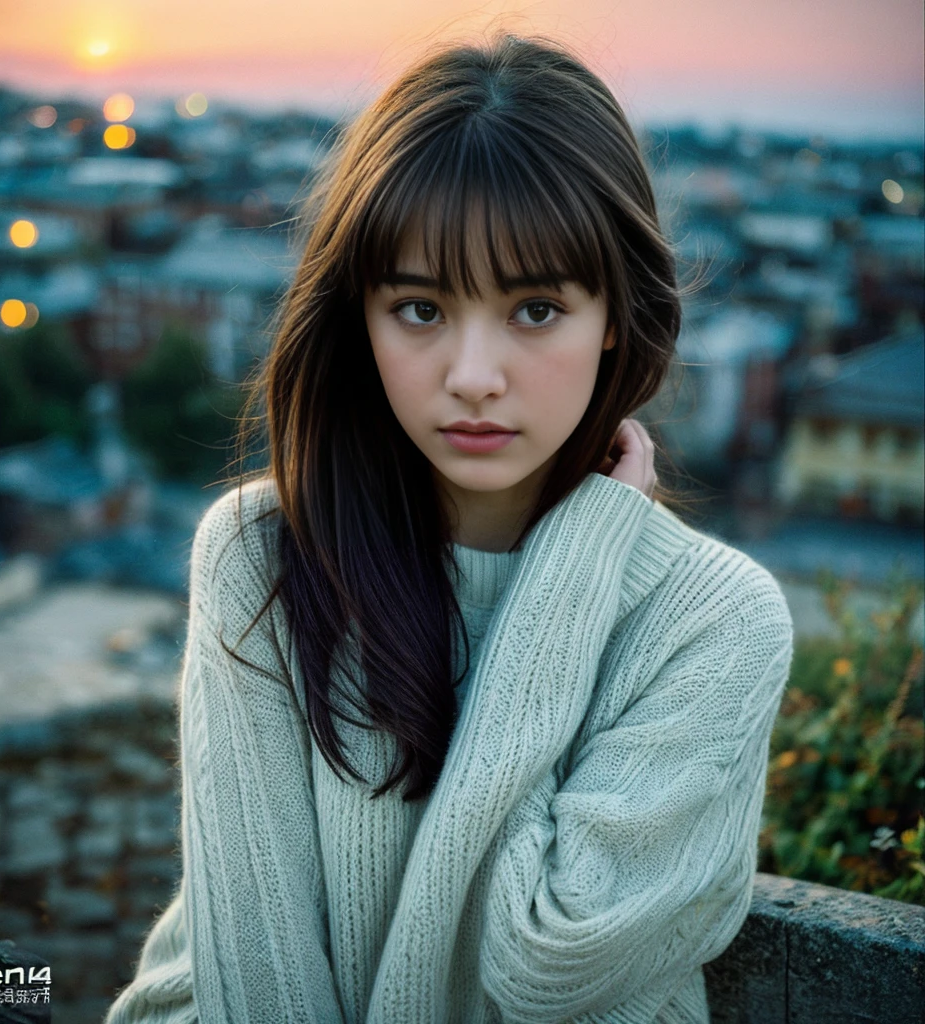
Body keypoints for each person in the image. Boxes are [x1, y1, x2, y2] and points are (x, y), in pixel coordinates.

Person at [104, 33, 794, 1024]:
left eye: (535, 307)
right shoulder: (262, 554)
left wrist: (571, 576)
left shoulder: (714, 620)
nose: (473, 373)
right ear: (362, 318)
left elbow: (549, 966)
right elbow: (260, 987)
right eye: (421, 307)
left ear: (612, 315)